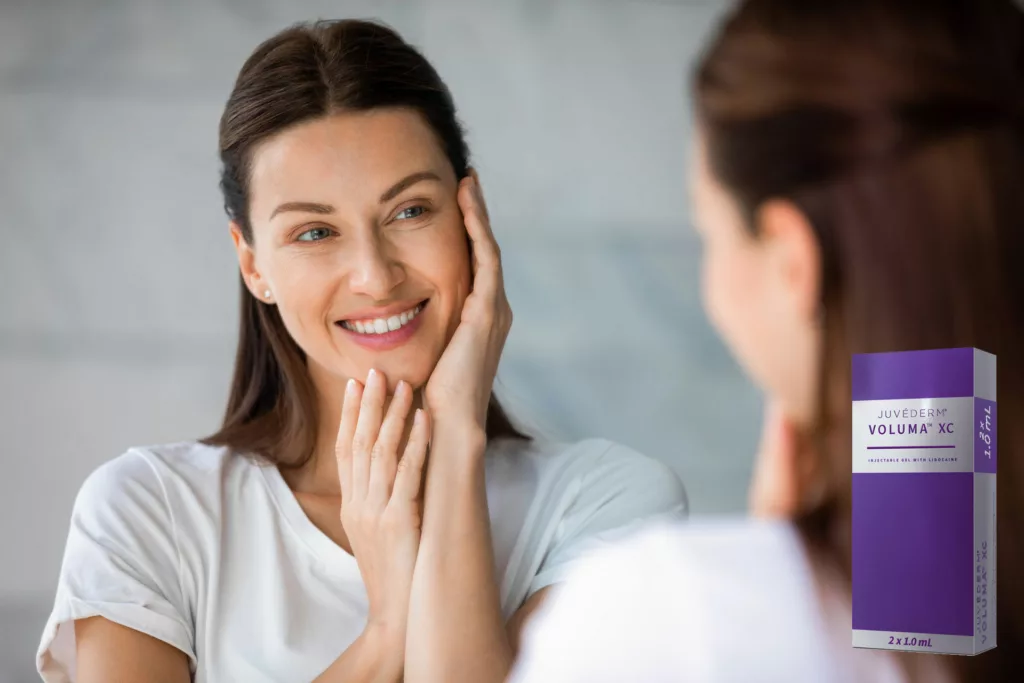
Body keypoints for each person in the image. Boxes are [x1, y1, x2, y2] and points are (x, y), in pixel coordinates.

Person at [35, 19, 687, 683]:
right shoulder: (151, 511)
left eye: (410, 211)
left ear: (471, 218)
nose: (375, 276)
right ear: (253, 262)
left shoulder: (607, 505)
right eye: (315, 231)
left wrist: (455, 442)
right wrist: (386, 633)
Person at [510, 0, 1024, 682]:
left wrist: (761, 585)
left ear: (790, 258)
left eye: (711, 234)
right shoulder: (949, 574)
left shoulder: (667, 616)